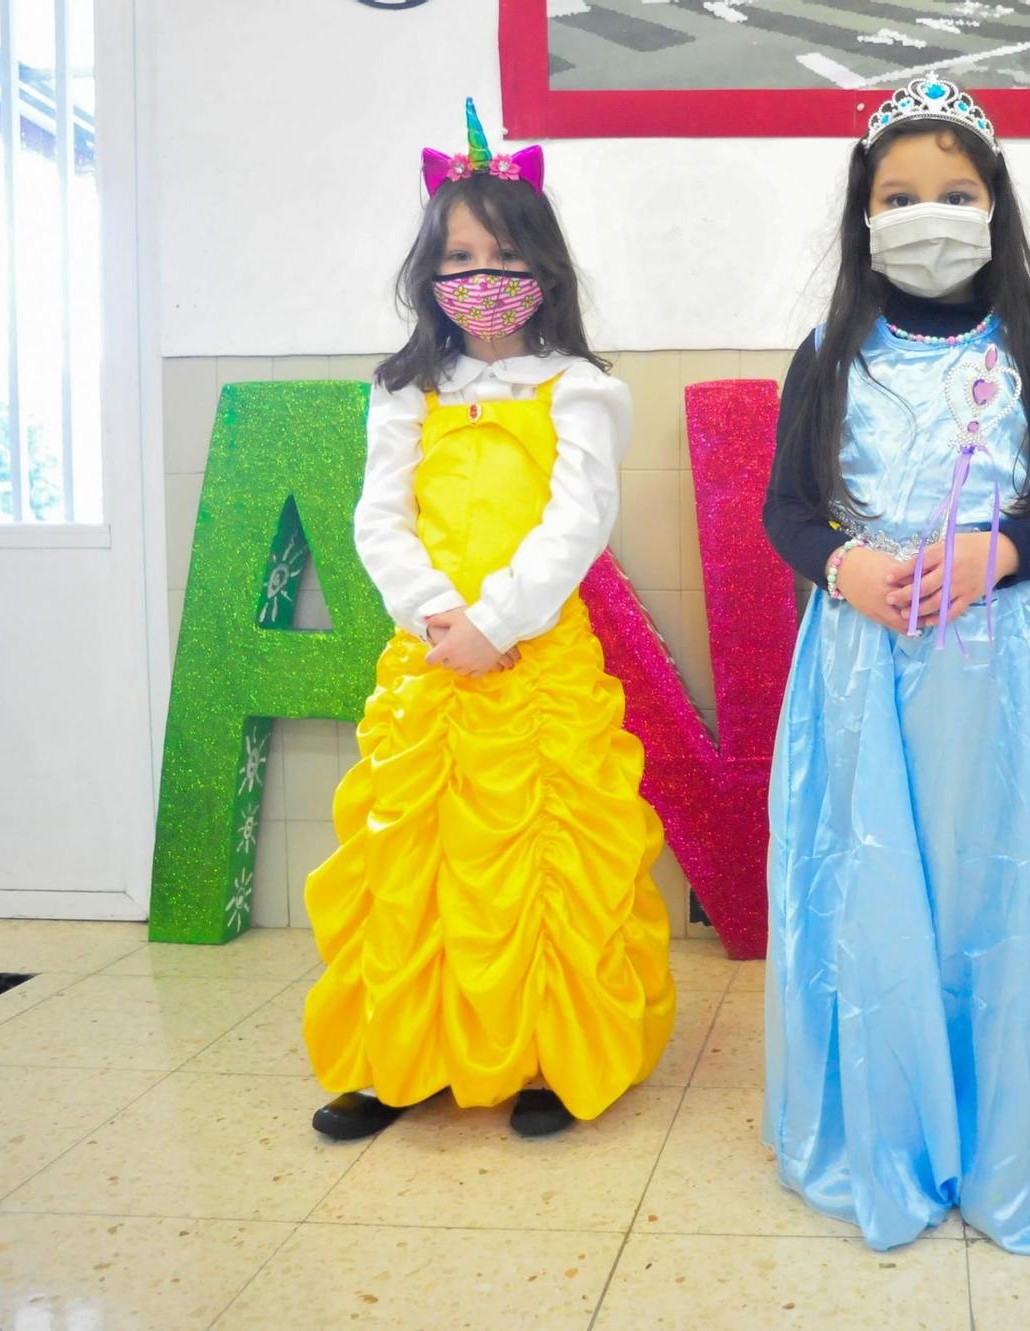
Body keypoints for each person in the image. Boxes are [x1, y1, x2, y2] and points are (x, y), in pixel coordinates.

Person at [759, 79, 1030, 1255]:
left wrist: (1004, 547)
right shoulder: (828, 351)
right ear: (863, 214)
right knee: (878, 889)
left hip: (1002, 673)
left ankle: (1010, 1127)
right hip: (862, 673)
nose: (928, 214)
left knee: (996, 891)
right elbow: (785, 509)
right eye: (899, 196)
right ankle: (890, 1124)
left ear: (995, 205)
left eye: (954, 193)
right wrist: (840, 569)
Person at [303, 100, 676, 1141]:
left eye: (502, 253)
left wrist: (500, 620)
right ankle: (398, 1057)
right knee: (411, 859)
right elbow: (377, 516)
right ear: (429, 271)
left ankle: (551, 1055)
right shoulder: (404, 388)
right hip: (428, 659)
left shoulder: (581, 387)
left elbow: (578, 518)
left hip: (534, 653)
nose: (480, 274)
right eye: (458, 254)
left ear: (543, 269)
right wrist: (435, 617)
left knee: (542, 859)